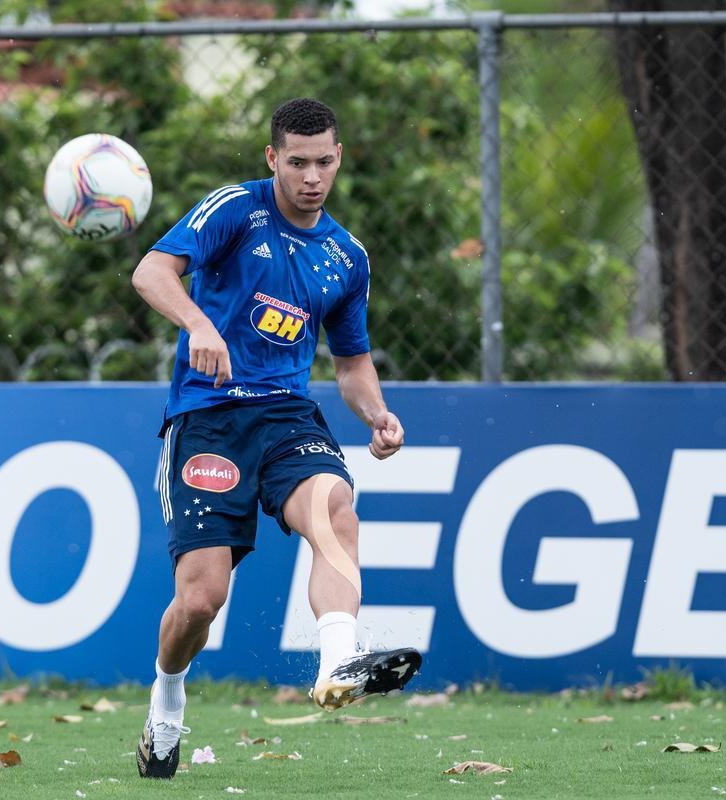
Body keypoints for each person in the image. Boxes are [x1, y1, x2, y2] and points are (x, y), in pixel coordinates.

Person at [130, 97, 420, 780]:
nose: (311, 176)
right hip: (208, 419)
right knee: (201, 599)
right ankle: (166, 700)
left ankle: (339, 659)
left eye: (323, 161)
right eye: (297, 162)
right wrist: (199, 325)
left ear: (339, 157)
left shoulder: (347, 257)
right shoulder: (237, 209)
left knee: (336, 511)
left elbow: (350, 365)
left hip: (289, 416)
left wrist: (377, 415)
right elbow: (151, 271)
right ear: (273, 159)